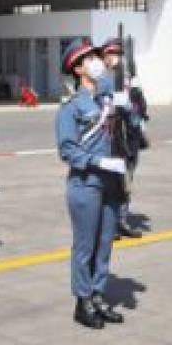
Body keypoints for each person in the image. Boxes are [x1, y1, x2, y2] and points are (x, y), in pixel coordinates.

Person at [56, 38, 126, 329]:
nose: (97, 61)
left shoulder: (104, 97)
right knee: (85, 246)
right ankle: (82, 302)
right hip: (85, 183)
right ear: (76, 67)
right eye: (89, 58)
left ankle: (98, 296)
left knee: (105, 243)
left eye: (98, 56)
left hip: (110, 181)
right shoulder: (71, 107)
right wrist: (99, 162)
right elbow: (67, 150)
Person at [100, 36, 148, 239]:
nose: (115, 58)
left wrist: (140, 120)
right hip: (113, 136)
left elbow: (140, 105)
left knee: (128, 179)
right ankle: (108, 224)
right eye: (110, 54)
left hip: (131, 136)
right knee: (113, 182)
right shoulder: (102, 79)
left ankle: (121, 219)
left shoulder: (128, 78)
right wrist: (113, 103)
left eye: (118, 54)